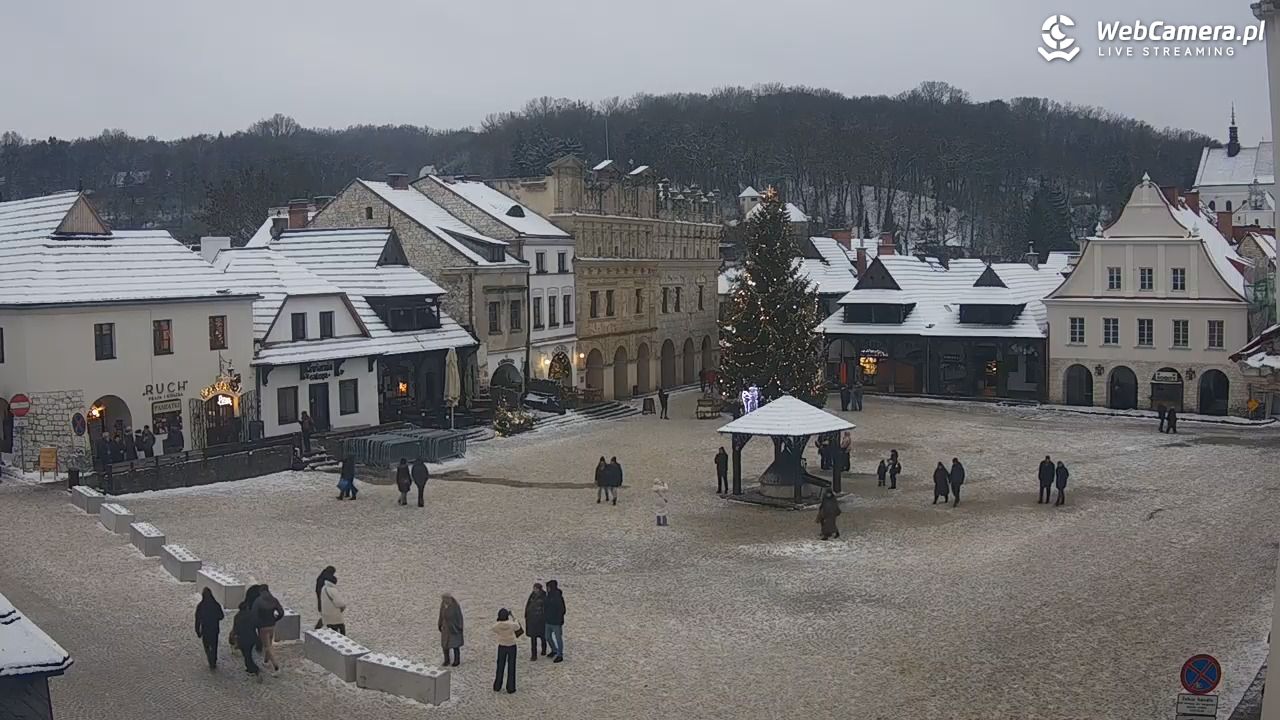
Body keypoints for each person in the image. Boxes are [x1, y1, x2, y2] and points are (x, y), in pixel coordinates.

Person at [252, 583, 284, 673]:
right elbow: (281, 612)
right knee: (269, 643)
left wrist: (256, 625)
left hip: (262, 627)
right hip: (272, 625)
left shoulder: (258, 601)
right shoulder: (274, 600)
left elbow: (254, 615)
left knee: (267, 646)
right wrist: (275, 619)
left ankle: (276, 666)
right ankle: (266, 661)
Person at [492, 609, 524, 694]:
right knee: (511, 666)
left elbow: (493, 628)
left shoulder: (497, 626)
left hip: (502, 646)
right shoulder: (512, 625)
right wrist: (513, 616)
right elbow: (518, 626)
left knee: (500, 666)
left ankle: (497, 685)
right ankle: (511, 687)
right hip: (511, 645)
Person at [231, 595, 262, 680]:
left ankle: (255, 670)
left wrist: (234, 637)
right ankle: (250, 669)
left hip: (242, 639)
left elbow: (235, 629)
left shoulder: (237, 617)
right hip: (252, 637)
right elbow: (257, 624)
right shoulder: (252, 615)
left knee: (247, 655)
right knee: (248, 654)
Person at [195, 588, 224, 670]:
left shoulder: (201, 606)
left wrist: (197, 630)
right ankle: (214, 660)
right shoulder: (216, 605)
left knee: (207, 645)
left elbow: (197, 619)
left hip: (205, 630)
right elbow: (221, 616)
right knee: (214, 645)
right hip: (214, 629)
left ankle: (210, 659)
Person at [317, 567, 347, 634]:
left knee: (329, 624)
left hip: (325, 608)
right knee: (341, 626)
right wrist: (343, 607)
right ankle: (342, 639)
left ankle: (317, 629)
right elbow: (339, 603)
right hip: (334, 613)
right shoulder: (333, 590)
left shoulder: (323, 588)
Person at [438, 593, 464, 667]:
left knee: (455, 645)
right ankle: (447, 660)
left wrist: (459, 627)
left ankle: (457, 660)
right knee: (445, 645)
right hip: (445, 629)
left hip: (454, 628)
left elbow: (459, 618)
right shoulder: (443, 604)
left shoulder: (455, 606)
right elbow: (441, 615)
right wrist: (440, 624)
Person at [524, 583, 548, 661]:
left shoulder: (544, 597)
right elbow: (528, 605)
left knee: (542, 636)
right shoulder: (532, 595)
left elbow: (545, 608)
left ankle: (544, 650)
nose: (534, 590)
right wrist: (527, 615)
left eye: (535, 588)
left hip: (540, 621)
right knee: (533, 638)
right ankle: (533, 655)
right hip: (532, 620)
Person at [543, 579, 566, 663]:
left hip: (556, 622)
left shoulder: (558, 597)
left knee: (558, 638)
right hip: (548, 621)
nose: (547, 589)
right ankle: (554, 650)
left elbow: (562, 610)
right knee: (547, 637)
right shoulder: (548, 596)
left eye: (548, 587)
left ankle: (560, 655)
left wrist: (558, 619)